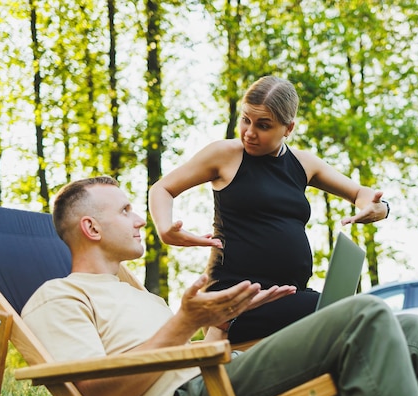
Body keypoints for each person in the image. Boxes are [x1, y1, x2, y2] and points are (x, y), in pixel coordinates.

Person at [21, 176, 418, 396]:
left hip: (218, 380)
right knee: (363, 316)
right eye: (127, 209)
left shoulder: (137, 293)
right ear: (91, 227)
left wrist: (223, 321)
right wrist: (183, 322)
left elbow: (184, 357)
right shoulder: (58, 296)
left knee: (415, 329)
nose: (140, 218)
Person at [149, 75, 390, 343]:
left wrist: (379, 208)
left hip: (289, 295)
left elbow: (361, 194)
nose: (249, 132)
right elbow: (162, 189)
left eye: (263, 125)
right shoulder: (225, 155)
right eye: (245, 120)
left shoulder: (303, 163)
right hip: (237, 300)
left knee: (359, 313)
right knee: (350, 313)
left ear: (288, 128)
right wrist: (165, 228)